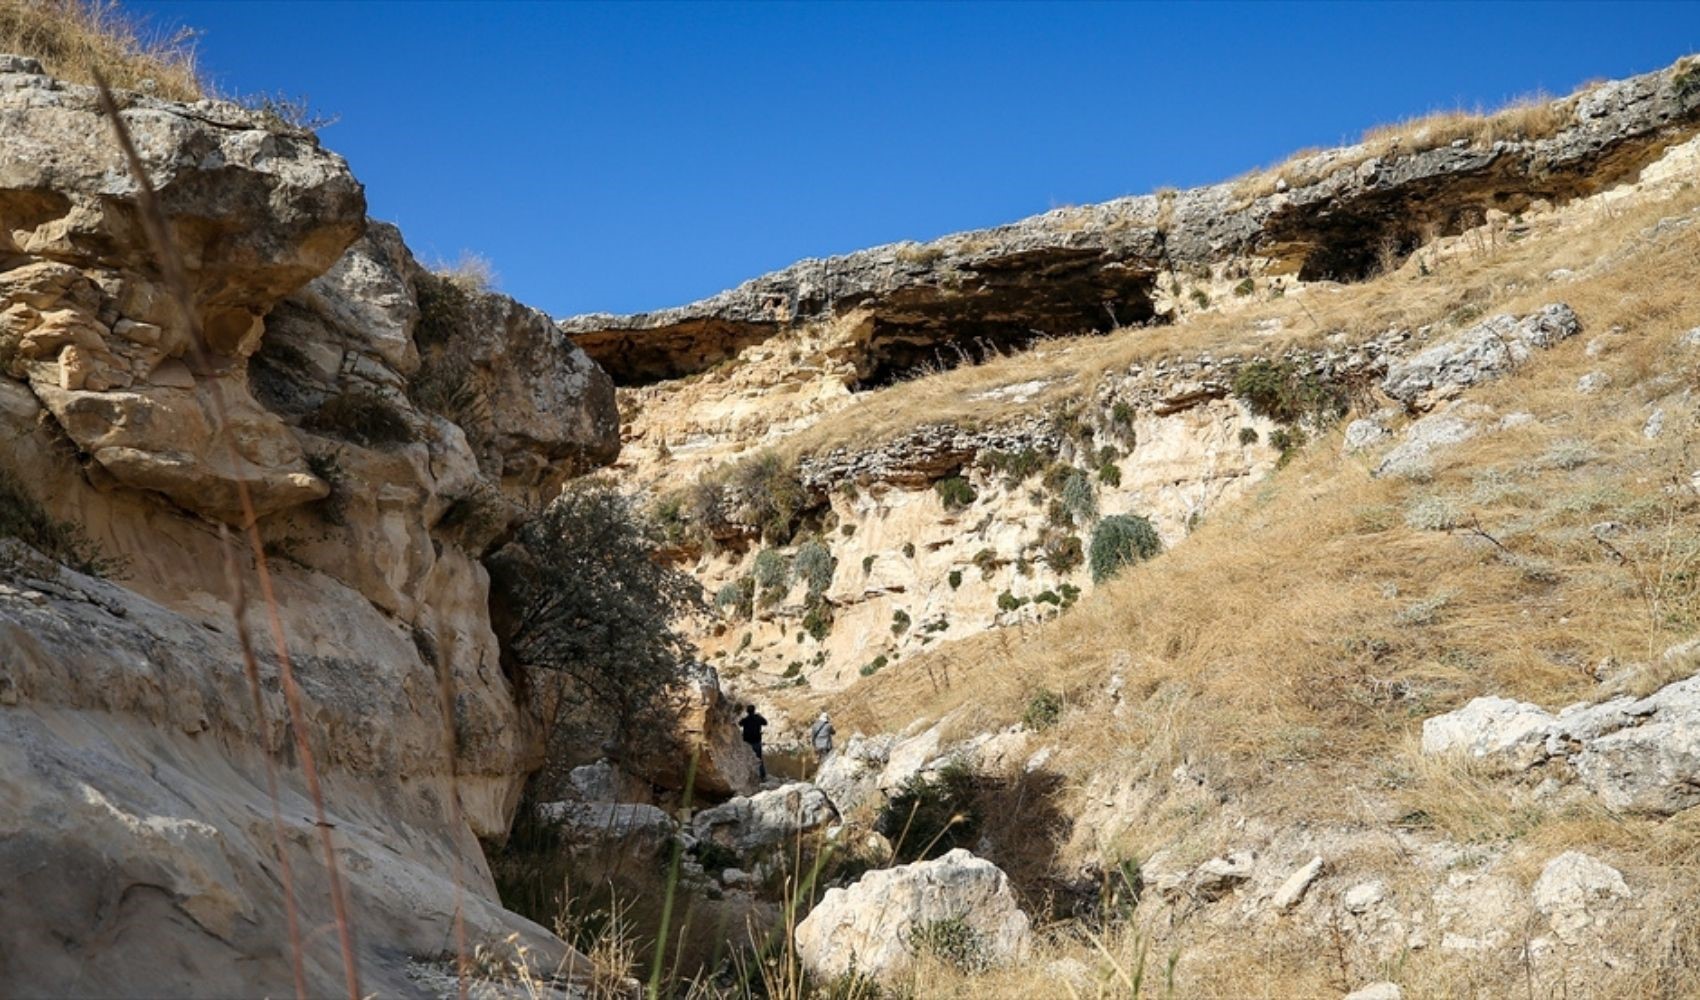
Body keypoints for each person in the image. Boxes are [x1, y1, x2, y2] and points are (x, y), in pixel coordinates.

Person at [739, 704, 768, 780]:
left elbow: (740, 723)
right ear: (754, 710)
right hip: (757, 741)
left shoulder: (746, 719)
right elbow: (765, 723)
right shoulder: (758, 718)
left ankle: (748, 776)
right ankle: (762, 776)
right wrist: (760, 716)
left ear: (747, 711)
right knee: (759, 759)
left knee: (747, 759)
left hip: (747, 743)